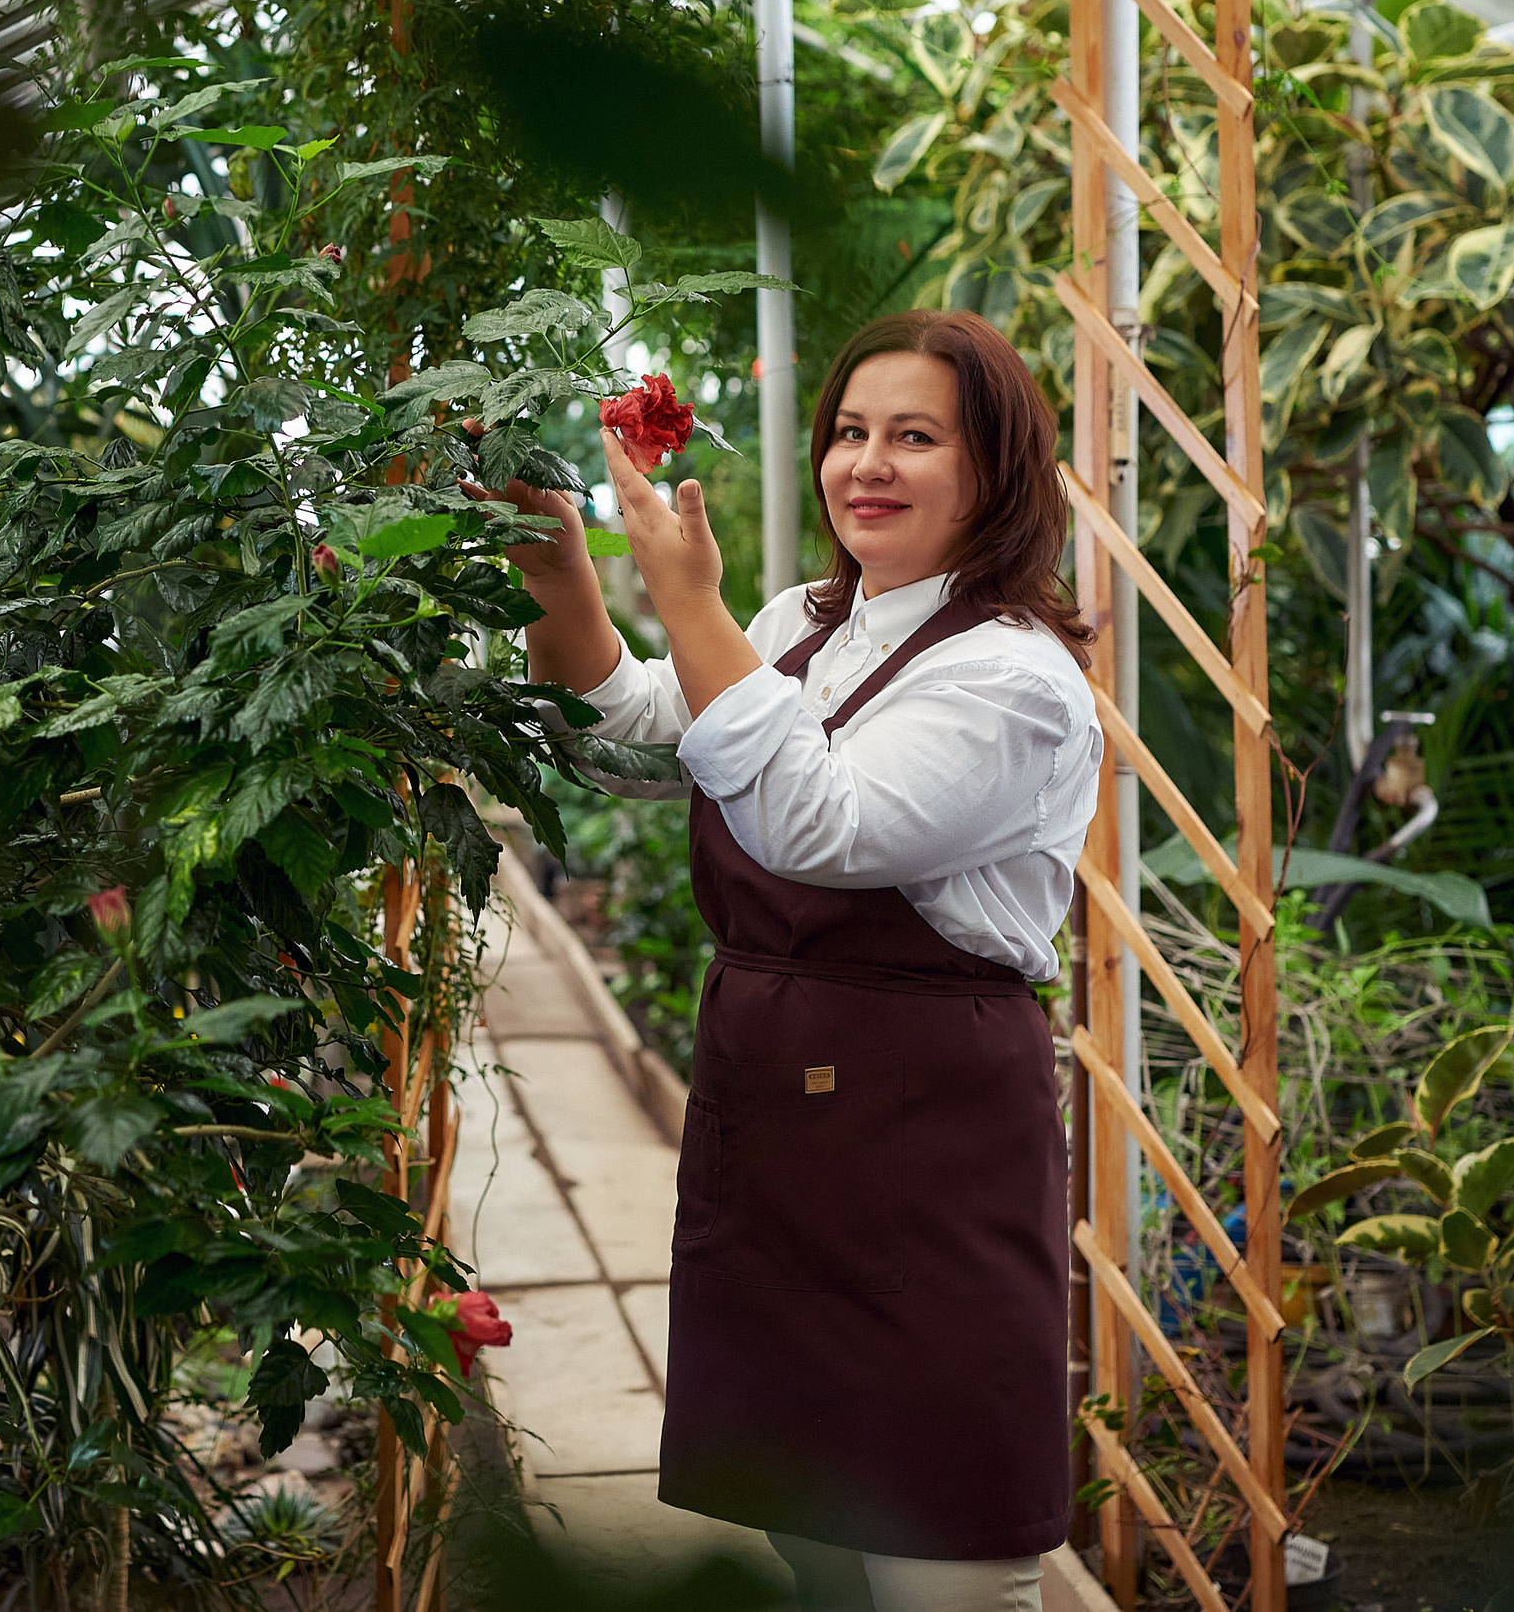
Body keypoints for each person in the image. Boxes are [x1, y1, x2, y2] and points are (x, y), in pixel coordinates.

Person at [467, 311, 1100, 1612]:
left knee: (948, 1552)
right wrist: (566, 581)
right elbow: (642, 738)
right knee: (809, 1530)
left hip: (927, 1136)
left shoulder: (1014, 679)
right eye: (851, 432)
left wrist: (688, 602)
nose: (868, 463)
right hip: (779, 1128)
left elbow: (823, 821)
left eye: (914, 437)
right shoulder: (809, 620)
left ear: (994, 469)